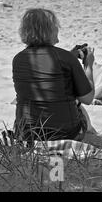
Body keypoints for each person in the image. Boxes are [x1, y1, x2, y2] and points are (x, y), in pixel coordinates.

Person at [12, 9, 95, 142]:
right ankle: (91, 137)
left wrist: (71, 56)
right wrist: (88, 65)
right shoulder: (66, 58)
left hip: (27, 134)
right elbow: (88, 98)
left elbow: (46, 67)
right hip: (65, 133)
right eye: (55, 26)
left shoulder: (18, 59)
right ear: (49, 30)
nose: (58, 29)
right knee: (79, 105)